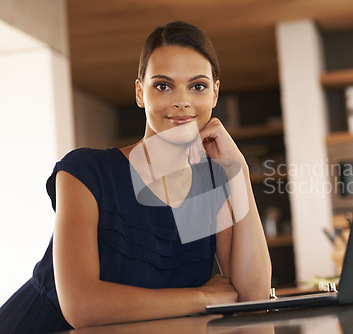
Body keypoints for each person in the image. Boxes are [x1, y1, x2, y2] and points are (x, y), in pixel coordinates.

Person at [0, 21, 272, 332]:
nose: (181, 100)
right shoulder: (85, 173)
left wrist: (239, 171)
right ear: (140, 93)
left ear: (214, 94)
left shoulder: (211, 185)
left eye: (197, 86)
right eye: (163, 85)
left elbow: (253, 296)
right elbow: (82, 307)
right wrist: (202, 297)